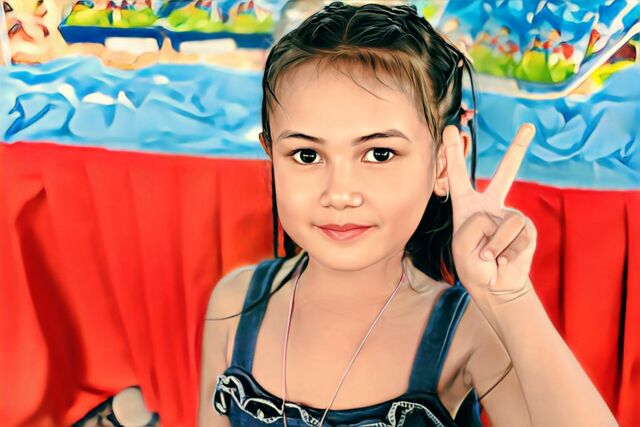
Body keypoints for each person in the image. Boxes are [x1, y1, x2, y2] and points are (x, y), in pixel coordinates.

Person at [198, 2, 618, 426]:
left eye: (379, 154)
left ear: (442, 165)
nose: (339, 194)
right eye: (307, 155)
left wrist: (511, 299)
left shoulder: (469, 332)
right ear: (271, 155)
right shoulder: (234, 305)